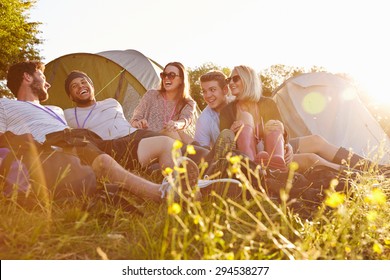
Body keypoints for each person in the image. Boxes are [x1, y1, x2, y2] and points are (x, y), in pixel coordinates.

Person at [1, 61, 200, 202]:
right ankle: (161, 194)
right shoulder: (5, 105)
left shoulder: (56, 110)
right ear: (27, 77)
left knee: (166, 143)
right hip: (55, 144)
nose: (48, 83)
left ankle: (190, 189)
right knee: (103, 163)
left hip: (87, 139)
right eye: (42, 76)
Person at [63, 70, 179, 172]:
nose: (80, 86)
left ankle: (192, 160)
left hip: (134, 133)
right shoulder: (67, 114)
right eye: (74, 86)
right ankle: (167, 171)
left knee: (176, 139)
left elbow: (120, 123)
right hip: (112, 144)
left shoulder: (112, 102)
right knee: (167, 144)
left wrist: (136, 124)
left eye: (84, 82)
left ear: (92, 86)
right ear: (71, 97)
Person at [130, 62, 197, 144]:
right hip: (147, 140)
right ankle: (200, 152)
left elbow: (186, 120)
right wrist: (138, 123)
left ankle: (203, 152)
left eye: (171, 75)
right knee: (172, 132)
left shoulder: (188, 103)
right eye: (164, 75)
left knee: (177, 132)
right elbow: (134, 120)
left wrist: (176, 124)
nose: (166, 78)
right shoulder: (151, 95)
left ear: (181, 80)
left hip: (171, 141)